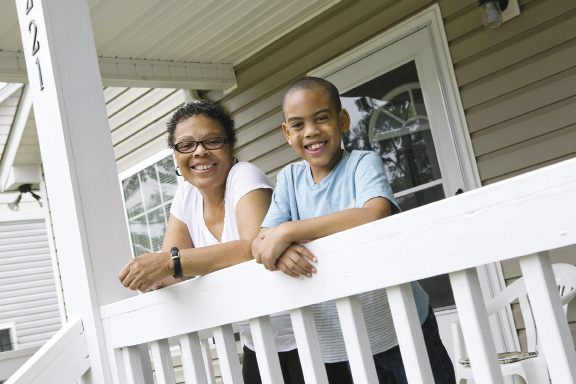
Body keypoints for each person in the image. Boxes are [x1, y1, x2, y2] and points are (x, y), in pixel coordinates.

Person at [252, 77, 456, 384]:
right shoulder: (290, 181)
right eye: (298, 124)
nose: (311, 131)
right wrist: (280, 252)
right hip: (347, 339)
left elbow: (374, 214)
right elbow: (261, 242)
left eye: (321, 117)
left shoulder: (362, 164)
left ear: (342, 120)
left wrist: (288, 231)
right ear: (287, 133)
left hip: (401, 324)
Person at [119, 100, 305, 384]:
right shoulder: (185, 196)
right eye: (186, 145)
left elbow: (252, 247)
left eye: (212, 141)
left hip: (305, 331)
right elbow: (173, 273)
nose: (199, 151)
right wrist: (155, 276)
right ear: (176, 155)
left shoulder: (244, 176)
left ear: (230, 146)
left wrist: (168, 264)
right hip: (257, 342)